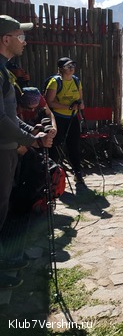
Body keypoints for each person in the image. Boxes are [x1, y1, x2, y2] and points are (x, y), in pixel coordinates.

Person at [0, 15, 53, 289]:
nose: (25, 41)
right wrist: (31, 140)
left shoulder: (4, 70)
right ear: (5, 39)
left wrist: (33, 132)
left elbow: (9, 115)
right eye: (21, 36)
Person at [45, 57, 85, 182]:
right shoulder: (55, 82)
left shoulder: (76, 81)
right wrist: (68, 107)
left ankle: (78, 173)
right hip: (58, 118)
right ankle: (53, 175)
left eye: (73, 65)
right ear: (61, 69)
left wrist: (80, 105)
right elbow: (49, 102)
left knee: (74, 145)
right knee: (56, 146)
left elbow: (80, 99)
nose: (71, 68)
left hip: (73, 118)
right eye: (68, 66)